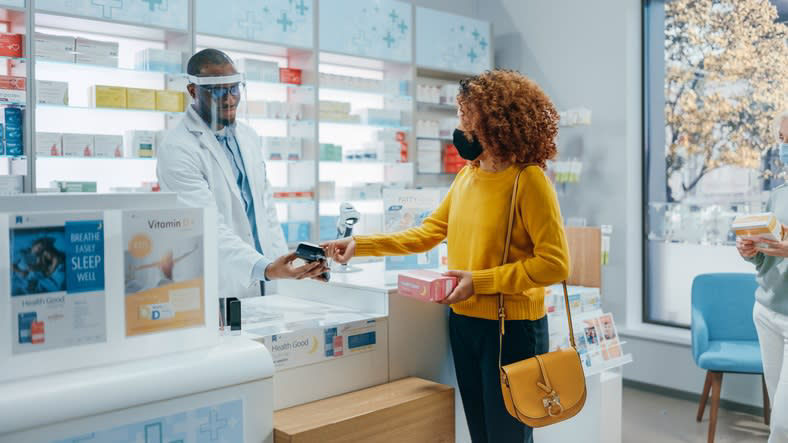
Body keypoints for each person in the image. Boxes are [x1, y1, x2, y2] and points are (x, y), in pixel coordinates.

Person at [324, 69, 570, 443]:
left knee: (509, 436)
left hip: (513, 329)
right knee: (481, 433)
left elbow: (555, 263)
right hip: (463, 322)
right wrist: (362, 245)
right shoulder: (467, 177)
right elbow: (427, 233)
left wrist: (480, 281)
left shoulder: (529, 180)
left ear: (497, 123)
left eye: (467, 118)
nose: (461, 129)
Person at [157, 49, 327, 298]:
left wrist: (288, 266)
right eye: (217, 91)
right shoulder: (178, 148)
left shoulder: (248, 137)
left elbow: (266, 210)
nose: (229, 99)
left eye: (234, 88)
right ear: (193, 91)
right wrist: (266, 268)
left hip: (267, 279)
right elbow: (205, 226)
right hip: (219, 285)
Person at [737, 110, 788, 442]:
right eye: (782, 138)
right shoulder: (779, 193)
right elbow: (768, 257)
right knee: (778, 417)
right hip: (767, 311)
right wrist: (751, 252)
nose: (784, 145)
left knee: (783, 423)